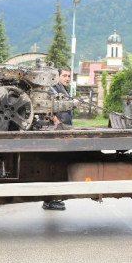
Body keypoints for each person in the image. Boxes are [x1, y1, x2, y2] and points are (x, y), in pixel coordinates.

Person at [42, 67, 72, 211]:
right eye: (64, 76)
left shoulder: (63, 89)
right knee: (54, 166)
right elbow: (48, 107)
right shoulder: (52, 89)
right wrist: (56, 121)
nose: (67, 78)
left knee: (58, 165)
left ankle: (52, 198)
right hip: (56, 132)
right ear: (57, 76)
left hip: (63, 130)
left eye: (69, 76)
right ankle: (49, 200)